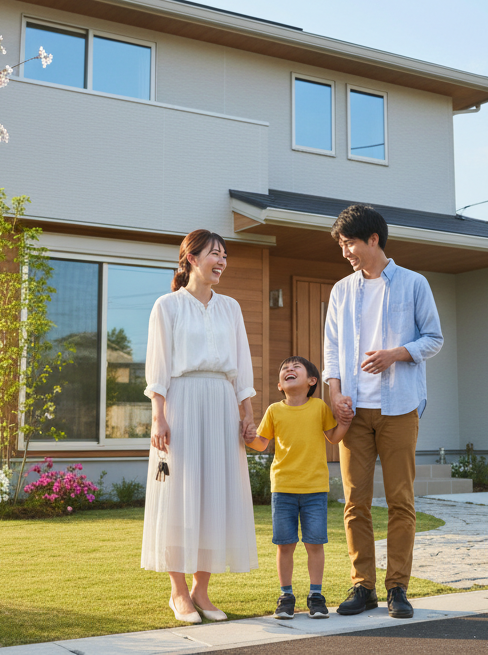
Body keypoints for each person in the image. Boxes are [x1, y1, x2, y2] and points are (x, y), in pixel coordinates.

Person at [322, 204, 443, 619]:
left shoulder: (414, 284)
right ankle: (363, 586)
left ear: (373, 238)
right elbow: (332, 351)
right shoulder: (341, 290)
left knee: (400, 501)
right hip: (353, 413)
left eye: (350, 242)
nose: (346, 252)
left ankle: (398, 588)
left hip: (399, 408)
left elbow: (434, 338)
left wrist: (397, 353)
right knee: (354, 502)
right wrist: (334, 393)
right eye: (341, 245)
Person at [141, 229, 259, 623]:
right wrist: (158, 416)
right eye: (214, 253)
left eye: (225, 254)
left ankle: (202, 591)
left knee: (216, 495)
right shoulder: (167, 306)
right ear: (191, 258)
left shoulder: (231, 308)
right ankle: (178, 593)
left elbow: (241, 366)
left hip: (221, 404)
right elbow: (158, 367)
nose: (222, 260)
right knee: (180, 493)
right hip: (183, 401)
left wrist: (247, 412)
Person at [246, 356, 352, 620]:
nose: (289, 370)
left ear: (312, 381)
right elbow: (261, 444)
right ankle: (286, 596)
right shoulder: (273, 410)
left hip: (315, 490)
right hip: (283, 489)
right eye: (284, 369)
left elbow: (333, 437)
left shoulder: (319, 407)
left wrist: (346, 423)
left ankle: (316, 595)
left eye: (296, 367)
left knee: (314, 544)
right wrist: (247, 437)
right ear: (281, 385)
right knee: (285, 544)